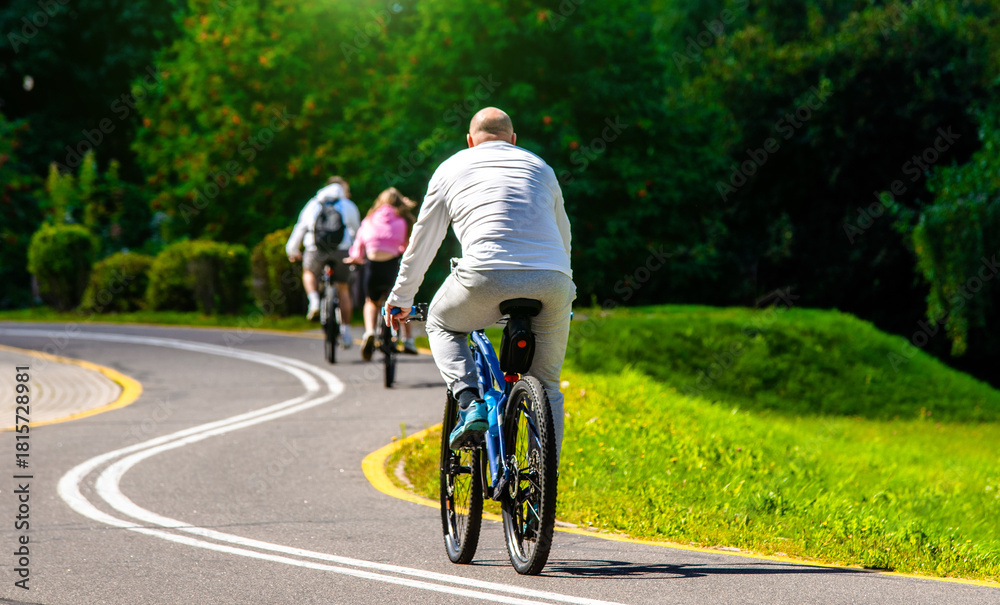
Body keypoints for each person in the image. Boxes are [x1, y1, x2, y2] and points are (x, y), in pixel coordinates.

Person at [385, 107, 575, 458]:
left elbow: (424, 241)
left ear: (470, 141)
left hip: (484, 275)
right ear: (513, 140)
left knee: (440, 323)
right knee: (548, 387)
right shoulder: (541, 167)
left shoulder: (450, 167)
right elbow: (564, 239)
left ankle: (470, 402)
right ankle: (543, 480)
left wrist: (401, 297)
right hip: (553, 279)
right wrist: (564, 293)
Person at [286, 176, 361, 347]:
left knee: (309, 272)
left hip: (316, 249)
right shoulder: (347, 205)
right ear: (341, 190)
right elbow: (357, 231)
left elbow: (300, 227)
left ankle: (314, 302)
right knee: (343, 288)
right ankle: (346, 332)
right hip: (341, 250)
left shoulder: (313, 203)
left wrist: (292, 251)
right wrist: (358, 253)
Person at [346, 187, 419, 360]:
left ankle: (369, 332)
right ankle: (408, 340)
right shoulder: (403, 219)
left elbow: (358, 244)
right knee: (403, 300)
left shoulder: (370, 218)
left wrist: (355, 257)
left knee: (371, 301)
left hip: (372, 266)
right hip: (392, 265)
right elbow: (407, 246)